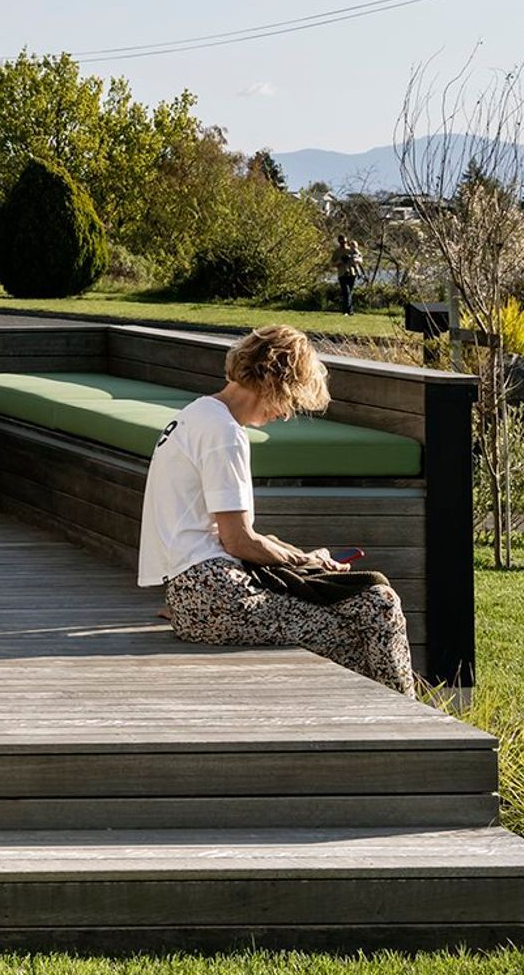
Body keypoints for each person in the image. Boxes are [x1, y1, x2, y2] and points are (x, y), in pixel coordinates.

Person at [137, 324, 415, 692]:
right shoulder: (224, 433)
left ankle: (396, 721)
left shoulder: (196, 415)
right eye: (289, 401)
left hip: (194, 594)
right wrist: (301, 563)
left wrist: (301, 557)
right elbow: (237, 541)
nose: (285, 414)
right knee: (369, 618)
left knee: (371, 605)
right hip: (216, 597)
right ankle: (407, 723)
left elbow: (223, 534)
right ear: (275, 382)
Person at [332, 235, 361, 315]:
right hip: (342, 273)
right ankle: (347, 311)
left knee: (349, 293)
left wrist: (354, 259)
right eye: (342, 242)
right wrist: (340, 261)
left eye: (345, 242)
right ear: (339, 242)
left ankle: (348, 310)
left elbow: (360, 259)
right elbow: (332, 263)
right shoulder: (337, 252)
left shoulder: (351, 249)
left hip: (352, 273)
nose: (344, 244)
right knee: (346, 292)